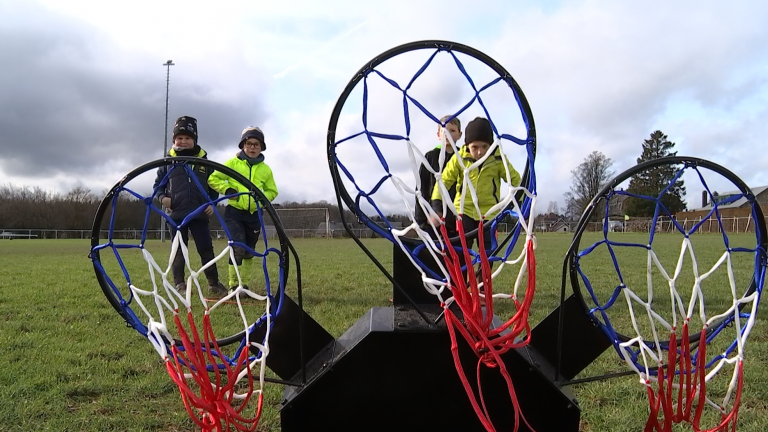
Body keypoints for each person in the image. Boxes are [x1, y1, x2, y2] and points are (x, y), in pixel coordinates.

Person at [430, 117, 522, 287]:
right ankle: (461, 287)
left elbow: (516, 180)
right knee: (462, 251)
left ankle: (481, 288)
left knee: (488, 252)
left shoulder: (498, 159)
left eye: (484, 147)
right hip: (463, 212)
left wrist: (522, 200)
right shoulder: (459, 158)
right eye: (475, 147)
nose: (479, 152)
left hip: (489, 214)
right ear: (467, 146)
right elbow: (443, 181)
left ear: (490, 145)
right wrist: (436, 202)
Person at [153, 116, 227, 295]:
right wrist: (163, 198)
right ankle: (179, 283)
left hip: (199, 213)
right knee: (178, 251)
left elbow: (213, 185)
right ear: (174, 140)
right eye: (179, 138)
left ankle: (213, 283)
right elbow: (157, 187)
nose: (183, 141)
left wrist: (212, 202)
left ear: (194, 140)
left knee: (206, 249)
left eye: (187, 138)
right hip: (176, 215)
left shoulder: (204, 162)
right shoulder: (167, 163)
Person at [208, 126, 278, 291]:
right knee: (237, 247)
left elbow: (272, 191)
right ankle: (234, 285)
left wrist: (260, 199)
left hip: (254, 215)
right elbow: (213, 178)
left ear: (261, 147)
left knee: (249, 251)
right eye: (249, 144)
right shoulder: (232, 163)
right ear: (243, 145)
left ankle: (243, 285)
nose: (252, 147)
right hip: (235, 214)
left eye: (256, 144)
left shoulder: (265, 170)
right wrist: (227, 190)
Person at [415, 115, 461, 237]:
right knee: (435, 254)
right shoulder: (430, 157)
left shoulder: (464, 158)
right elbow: (421, 189)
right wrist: (422, 220)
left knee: (459, 254)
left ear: (459, 134)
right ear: (438, 134)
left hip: (458, 221)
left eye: (452, 131)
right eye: (444, 130)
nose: (448, 134)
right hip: (433, 221)